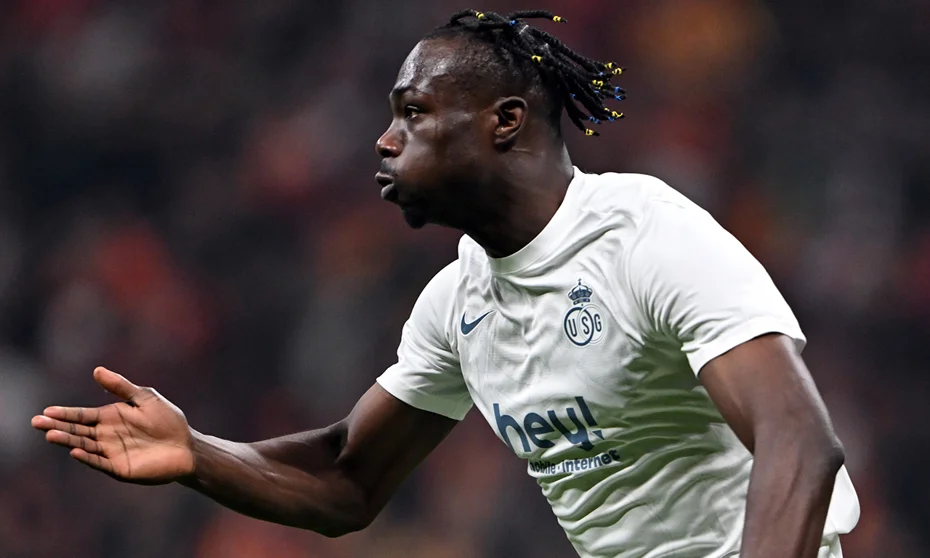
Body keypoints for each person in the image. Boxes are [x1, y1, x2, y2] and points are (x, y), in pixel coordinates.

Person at [31, 9, 859, 558]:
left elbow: (798, 438)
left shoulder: (643, 234)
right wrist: (196, 454)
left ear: (505, 122)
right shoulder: (458, 304)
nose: (385, 140)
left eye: (414, 112)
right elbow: (348, 479)